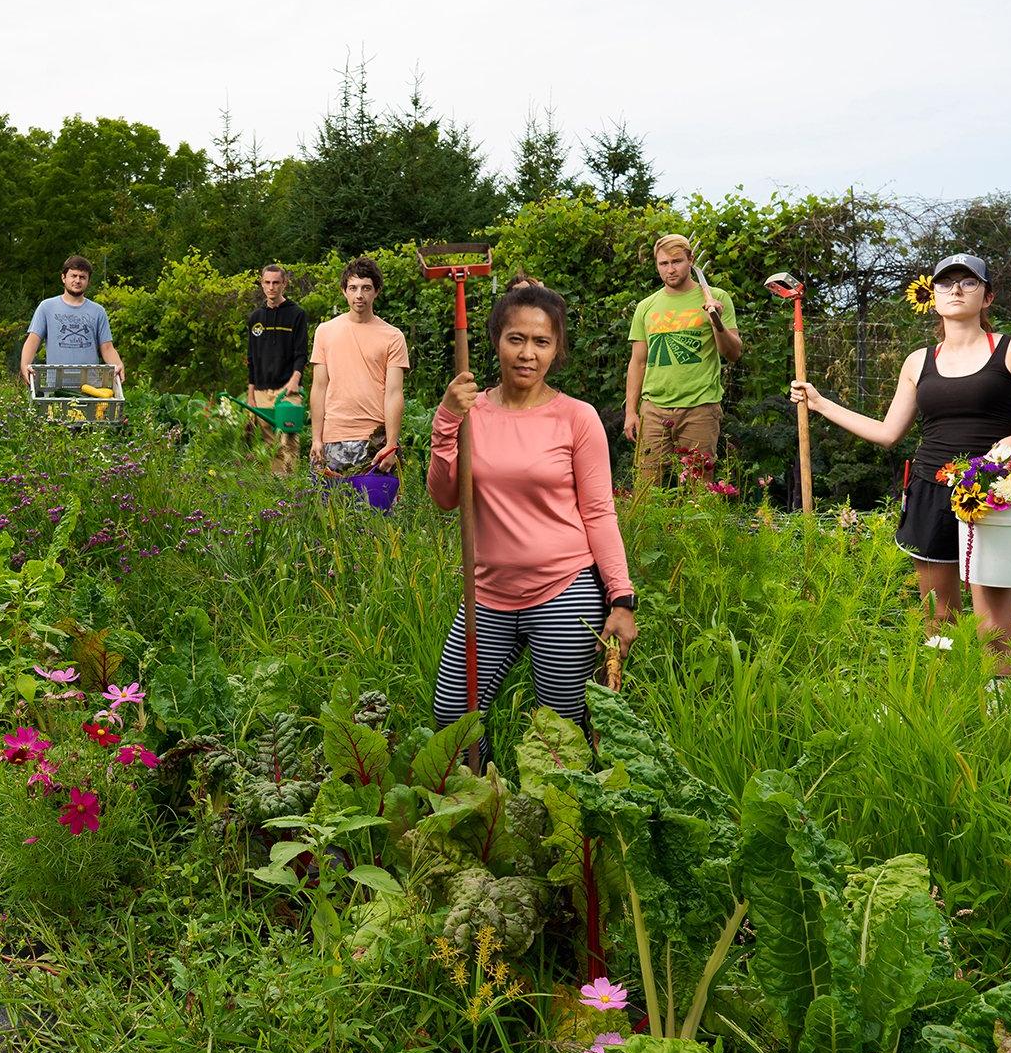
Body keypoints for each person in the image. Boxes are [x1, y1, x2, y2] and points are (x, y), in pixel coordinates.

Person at [791, 253, 1011, 668]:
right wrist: (821, 404)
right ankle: (942, 698)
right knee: (939, 620)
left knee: (993, 627)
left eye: (968, 282)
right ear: (931, 297)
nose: (955, 289)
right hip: (930, 492)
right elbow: (888, 433)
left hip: (994, 493)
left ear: (988, 296)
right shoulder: (919, 361)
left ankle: (997, 708)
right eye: (945, 282)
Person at [429, 282, 638, 747]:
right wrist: (445, 420)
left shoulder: (577, 418)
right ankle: (477, 804)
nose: (527, 353)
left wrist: (621, 599)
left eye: (541, 342)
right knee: (451, 716)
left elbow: (600, 512)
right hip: (486, 593)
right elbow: (445, 497)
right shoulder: (470, 412)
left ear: (556, 349)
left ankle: (554, 815)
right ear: (497, 341)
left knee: (558, 731)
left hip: (564, 590)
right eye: (516, 339)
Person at [623, 234, 741, 485]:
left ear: (691, 260)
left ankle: (697, 528)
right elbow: (638, 362)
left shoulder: (716, 298)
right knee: (646, 490)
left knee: (699, 490)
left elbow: (733, 353)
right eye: (663, 263)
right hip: (653, 409)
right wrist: (631, 411)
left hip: (700, 407)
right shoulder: (646, 306)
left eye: (676, 261)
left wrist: (716, 323)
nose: (670, 269)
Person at [309, 256, 408, 477]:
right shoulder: (325, 332)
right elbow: (319, 387)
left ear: (377, 291)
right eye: (353, 288)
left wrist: (391, 444)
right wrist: (317, 438)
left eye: (366, 288)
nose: (359, 295)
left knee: (379, 510)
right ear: (344, 291)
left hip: (375, 440)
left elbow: (393, 393)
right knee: (330, 508)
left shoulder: (393, 337)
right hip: (333, 438)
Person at [19, 254, 125, 385]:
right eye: (73, 276)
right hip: (55, 387)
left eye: (82, 277)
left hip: (91, 388)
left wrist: (118, 364)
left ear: (88, 281)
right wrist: (24, 365)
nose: (78, 280)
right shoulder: (46, 307)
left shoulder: (98, 311)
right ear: (63, 278)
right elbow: (32, 341)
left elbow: (107, 348)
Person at [244, 263, 307, 472]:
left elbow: (301, 353)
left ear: (284, 284)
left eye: (276, 283)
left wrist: (294, 381)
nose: (271, 287)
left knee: (288, 442)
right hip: (262, 390)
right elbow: (251, 357)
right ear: (262, 284)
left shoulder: (296, 314)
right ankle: (276, 490)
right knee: (269, 444)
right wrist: (251, 393)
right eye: (267, 282)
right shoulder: (255, 318)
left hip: (287, 389)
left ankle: (291, 487)